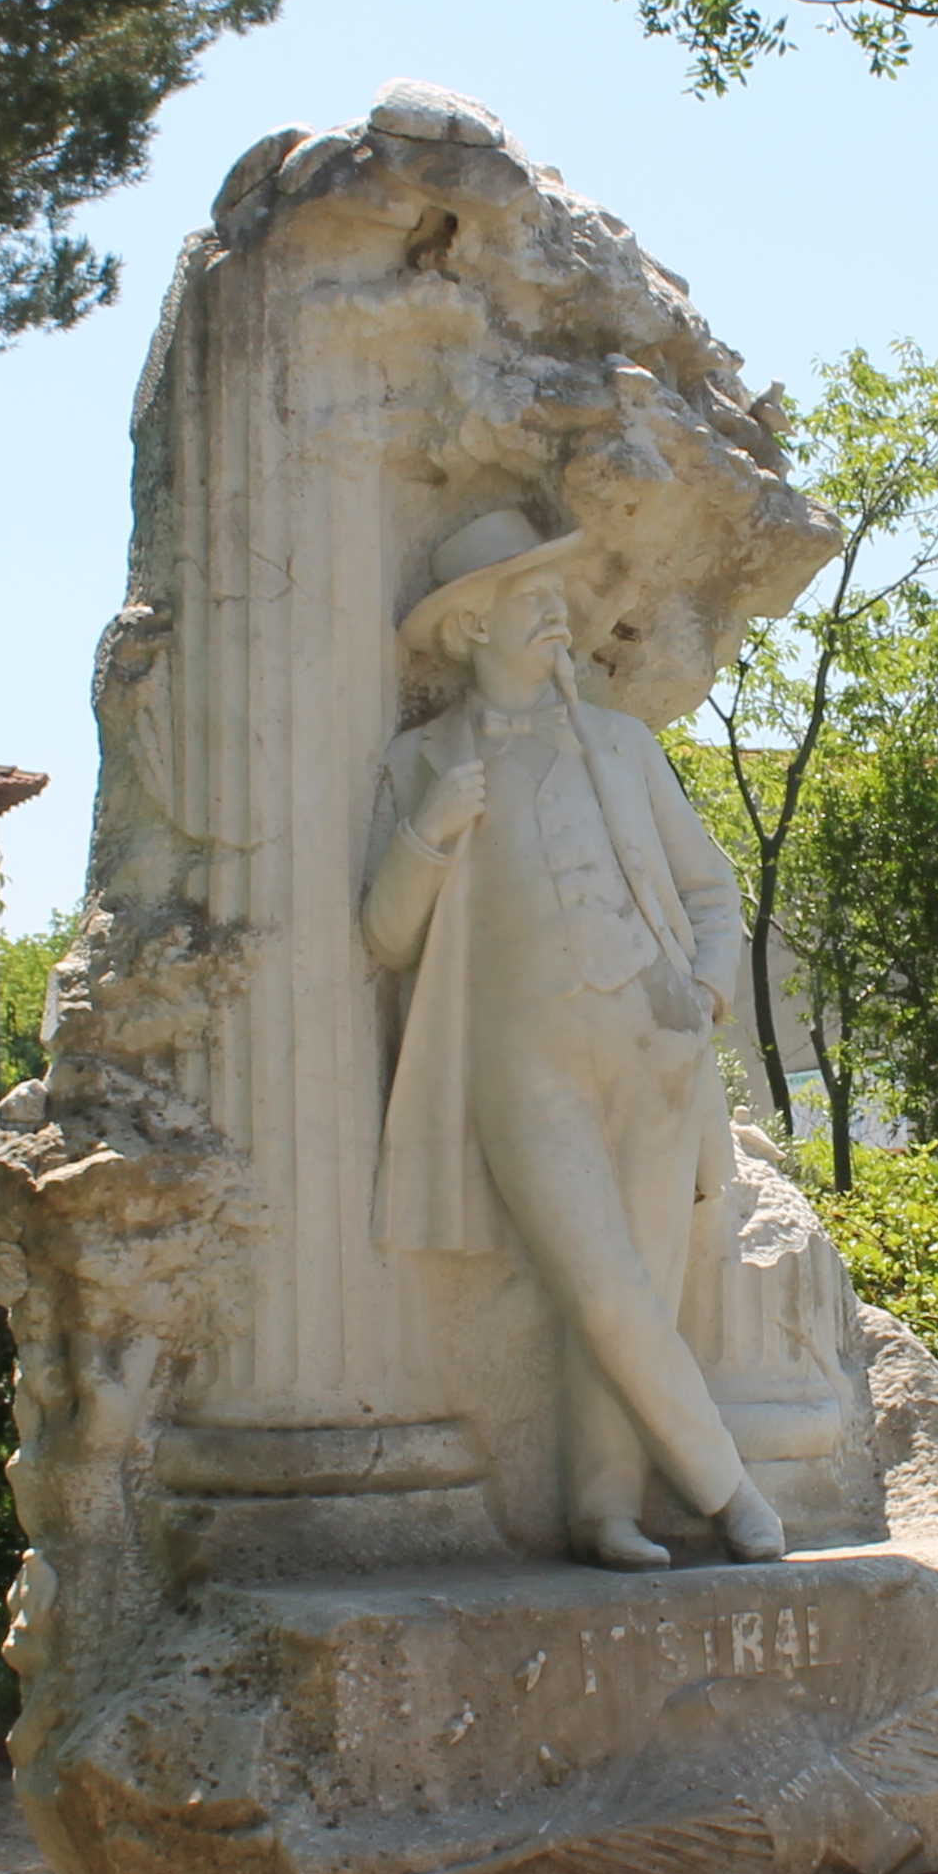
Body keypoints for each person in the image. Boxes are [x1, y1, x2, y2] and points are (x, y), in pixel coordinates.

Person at [361, 508, 786, 1570]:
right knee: (601, 1285)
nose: (559, 613)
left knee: (638, 1289)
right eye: (532, 597)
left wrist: (703, 993)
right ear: (470, 626)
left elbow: (711, 889)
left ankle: (604, 1510)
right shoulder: (422, 761)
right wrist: (430, 831)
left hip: (654, 1050)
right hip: (523, 1067)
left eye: (558, 594)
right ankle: (728, 1488)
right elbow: (385, 936)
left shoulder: (621, 745)